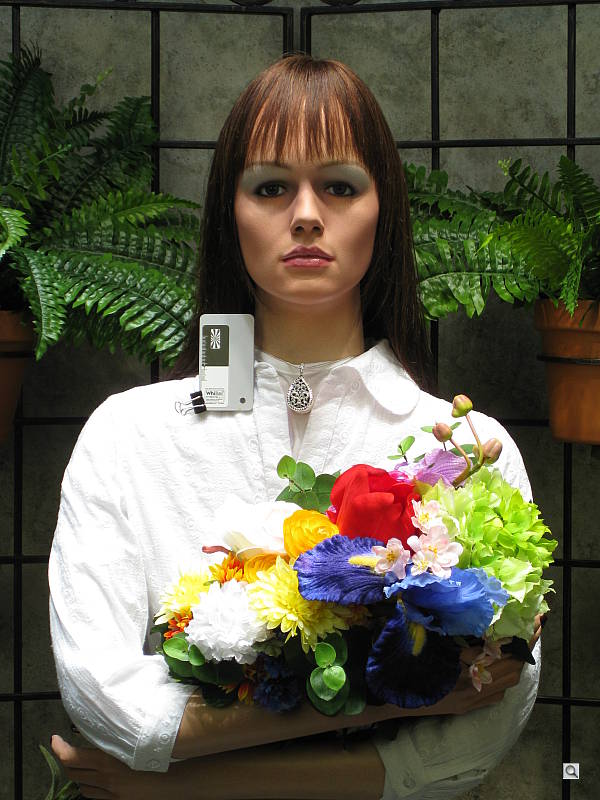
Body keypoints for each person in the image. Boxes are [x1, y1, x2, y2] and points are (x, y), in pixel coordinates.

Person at [49, 54, 543, 800]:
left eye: (340, 186)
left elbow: (477, 741)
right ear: (230, 212)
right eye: (271, 187)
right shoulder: (128, 438)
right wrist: (416, 697)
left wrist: (181, 787)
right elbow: (104, 697)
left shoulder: (467, 452)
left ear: (384, 211)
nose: (307, 214)